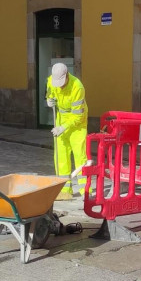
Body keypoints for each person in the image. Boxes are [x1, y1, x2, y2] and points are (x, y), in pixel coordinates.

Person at [46, 63, 87, 200]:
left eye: (62, 83)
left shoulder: (77, 86)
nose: (60, 86)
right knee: (60, 157)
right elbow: (49, 94)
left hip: (77, 124)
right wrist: (49, 101)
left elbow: (78, 116)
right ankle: (65, 190)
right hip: (61, 120)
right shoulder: (51, 81)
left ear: (67, 75)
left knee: (80, 156)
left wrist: (63, 127)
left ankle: (85, 190)